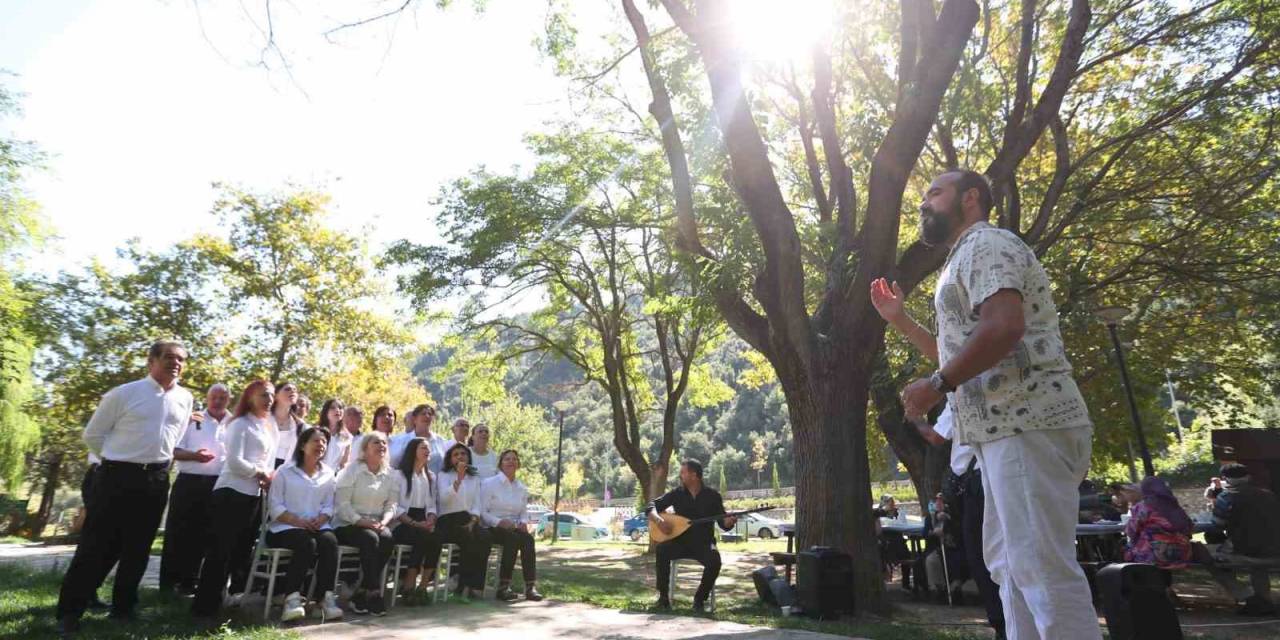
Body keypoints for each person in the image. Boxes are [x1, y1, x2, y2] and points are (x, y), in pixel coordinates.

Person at [871, 169, 1100, 639]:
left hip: (1026, 423)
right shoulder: (964, 258)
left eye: (934, 193)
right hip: (1002, 434)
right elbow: (964, 352)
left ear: (970, 198)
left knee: (1039, 569)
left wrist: (937, 384)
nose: (924, 203)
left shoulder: (986, 246)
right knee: (1010, 567)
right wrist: (901, 321)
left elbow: (1002, 328)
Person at [56, 341, 195, 634]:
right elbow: (93, 434)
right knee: (96, 546)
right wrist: (115, 461)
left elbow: (175, 439)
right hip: (116, 478)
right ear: (151, 361)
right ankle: (70, 612)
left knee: (138, 548)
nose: (176, 363)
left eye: (181, 359)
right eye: (169, 357)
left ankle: (123, 609)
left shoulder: (185, 398)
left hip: (156, 480)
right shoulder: (124, 393)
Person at [192, 379, 278, 618]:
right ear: (250, 397)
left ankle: (227, 600)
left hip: (253, 495)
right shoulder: (239, 424)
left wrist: (267, 476)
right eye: (263, 395)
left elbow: (268, 461)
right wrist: (259, 472)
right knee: (220, 550)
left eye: (271, 395)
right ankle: (204, 606)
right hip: (231, 493)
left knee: (240, 551)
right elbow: (234, 461)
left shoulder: (267, 427)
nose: (269, 399)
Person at [917, 405, 1005, 636]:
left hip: (980, 480)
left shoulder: (960, 390)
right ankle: (1006, 623)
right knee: (989, 557)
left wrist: (914, 415)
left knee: (985, 557)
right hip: (984, 478)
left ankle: (1004, 622)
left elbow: (935, 436)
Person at [159, 383, 232, 596]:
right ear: (207, 398)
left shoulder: (234, 422)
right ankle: (168, 583)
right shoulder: (194, 419)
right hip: (189, 482)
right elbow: (173, 450)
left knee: (207, 535)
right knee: (180, 533)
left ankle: (192, 582)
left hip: (219, 484)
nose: (218, 401)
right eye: (214, 397)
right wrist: (195, 456)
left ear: (229, 400)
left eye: (222, 398)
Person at [266, 427, 343, 621]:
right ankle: (291, 599)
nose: (321, 445)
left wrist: (323, 518)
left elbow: (329, 505)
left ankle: (324, 599)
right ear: (302, 445)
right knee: (306, 543)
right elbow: (274, 506)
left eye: (324, 442)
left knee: (330, 541)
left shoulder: (327, 473)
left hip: (316, 527)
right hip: (284, 528)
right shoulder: (285, 471)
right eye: (316, 441)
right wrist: (297, 521)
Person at [647, 459, 736, 612]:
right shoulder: (677, 494)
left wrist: (729, 522)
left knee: (715, 561)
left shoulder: (712, 496)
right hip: (681, 542)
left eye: (683, 472)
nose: (680, 476)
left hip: (703, 544)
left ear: (694, 475)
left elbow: (723, 523)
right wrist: (659, 520)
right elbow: (650, 507)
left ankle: (699, 600)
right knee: (662, 550)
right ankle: (663, 598)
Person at [333, 431, 397, 616]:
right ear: (365, 448)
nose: (382, 446)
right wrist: (362, 522)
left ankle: (361, 592)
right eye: (376, 442)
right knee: (370, 538)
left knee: (387, 538)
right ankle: (375, 593)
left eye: (384, 443)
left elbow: (392, 504)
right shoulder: (351, 471)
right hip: (347, 523)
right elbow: (342, 506)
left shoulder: (390, 474)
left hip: (376, 523)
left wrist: (384, 521)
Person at [1206, 463, 1280, 616]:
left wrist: (1214, 509)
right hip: (1274, 550)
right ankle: (1264, 600)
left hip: (1247, 552)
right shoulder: (1269, 495)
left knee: (1211, 560)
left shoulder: (1226, 497)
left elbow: (1217, 525)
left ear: (1225, 478)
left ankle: (1249, 597)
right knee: (1258, 563)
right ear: (1248, 477)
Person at [481, 450, 543, 602]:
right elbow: (482, 512)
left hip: (513, 528)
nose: (511, 462)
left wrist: (523, 522)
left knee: (528, 539)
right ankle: (504, 586)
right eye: (507, 459)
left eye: (514, 459)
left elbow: (523, 512)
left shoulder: (521, 487)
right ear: (501, 463)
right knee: (512, 538)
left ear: (518, 464)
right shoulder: (490, 483)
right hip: (493, 527)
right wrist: (499, 522)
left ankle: (530, 587)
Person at [436, 442, 493, 601]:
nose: (460, 456)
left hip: (468, 520)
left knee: (485, 537)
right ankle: (463, 586)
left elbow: (476, 504)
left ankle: (476, 586)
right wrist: (459, 479)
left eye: (463, 454)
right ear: (450, 459)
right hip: (448, 520)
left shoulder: (474, 478)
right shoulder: (443, 475)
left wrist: (473, 520)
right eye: (456, 454)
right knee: (469, 538)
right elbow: (444, 500)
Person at [390, 437, 443, 598]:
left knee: (436, 537)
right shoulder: (398, 475)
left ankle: (423, 585)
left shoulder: (431, 476)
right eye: (423, 448)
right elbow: (395, 506)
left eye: (428, 449)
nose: (428, 452)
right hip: (402, 522)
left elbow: (432, 504)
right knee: (422, 536)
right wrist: (415, 523)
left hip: (423, 519)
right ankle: (409, 582)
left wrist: (431, 518)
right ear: (413, 451)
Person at [1122, 476, 1193, 568]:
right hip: (1182, 553)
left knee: (1127, 547)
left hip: (1153, 555)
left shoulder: (1143, 507)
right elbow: (1189, 527)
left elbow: (1131, 531)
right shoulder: (1175, 507)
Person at [389, 404, 447, 470]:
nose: (427, 416)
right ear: (415, 419)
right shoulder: (402, 440)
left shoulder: (440, 440)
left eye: (430, 414)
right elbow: (393, 463)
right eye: (423, 413)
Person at [271, 382, 302, 469]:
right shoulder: (263, 418)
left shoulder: (299, 425)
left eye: (295, 390)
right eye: (287, 389)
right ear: (276, 395)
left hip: (283, 470)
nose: (292, 391)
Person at [317, 398, 350, 469]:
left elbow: (343, 464)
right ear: (326, 412)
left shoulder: (347, 437)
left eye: (340, 408)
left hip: (332, 477)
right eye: (332, 408)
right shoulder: (316, 431)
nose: (338, 410)